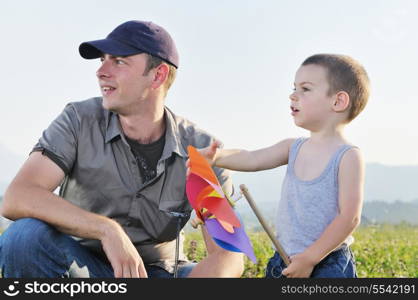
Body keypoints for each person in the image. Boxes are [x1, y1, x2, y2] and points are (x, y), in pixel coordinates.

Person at [0, 20, 244, 278]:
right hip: (82, 268)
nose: (101, 71)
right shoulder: (77, 119)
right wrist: (107, 230)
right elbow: (18, 197)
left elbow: (228, 254)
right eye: (102, 60)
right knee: (24, 238)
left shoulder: (202, 151)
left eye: (118, 61)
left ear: (158, 75)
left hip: (159, 273)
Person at [192, 54, 369, 278]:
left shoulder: (347, 157)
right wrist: (217, 157)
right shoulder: (292, 147)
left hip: (326, 262)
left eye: (305, 89)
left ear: (338, 101)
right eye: (294, 87)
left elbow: (349, 218)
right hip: (283, 257)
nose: (293, 95)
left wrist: (310, 258)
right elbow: (253, 158)